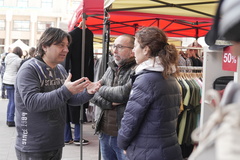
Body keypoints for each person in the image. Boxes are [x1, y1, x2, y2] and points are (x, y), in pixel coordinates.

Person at [14, 27, 101, 160]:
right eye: (61, 45)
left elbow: (69, 100)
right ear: (44, 46)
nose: (66, 50)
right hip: (33, 145)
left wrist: (88, 93)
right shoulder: (29, 69)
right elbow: (32, 103)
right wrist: (65, 90)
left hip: (55, 142)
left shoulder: (60, 69)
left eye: (67, 45)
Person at [117, 27, 183, 160]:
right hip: (168, 149)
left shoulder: (146, 79)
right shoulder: (169, 76)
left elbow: (131, 120)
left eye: (135, 46)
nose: (133, 50)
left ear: (146, 49)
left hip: (147, 151)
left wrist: (122, 144)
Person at [90, 34, 136, 160]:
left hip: (123, 136)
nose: (114, 51)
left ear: (132, 51)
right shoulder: (111, 68)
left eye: (120, 47)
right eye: (114, 46)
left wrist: (100, 89)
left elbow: (122, 94)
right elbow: (92, 94)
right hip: (104, 132)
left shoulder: (136, 70)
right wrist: (110, 103)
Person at [3, 46, 23, 127]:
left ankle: (8, 119)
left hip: (6, 80)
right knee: (13, 101)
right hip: (13, 81)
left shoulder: (7, 57)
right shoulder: (19, 60)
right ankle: (10, 120)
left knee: (10, 100)